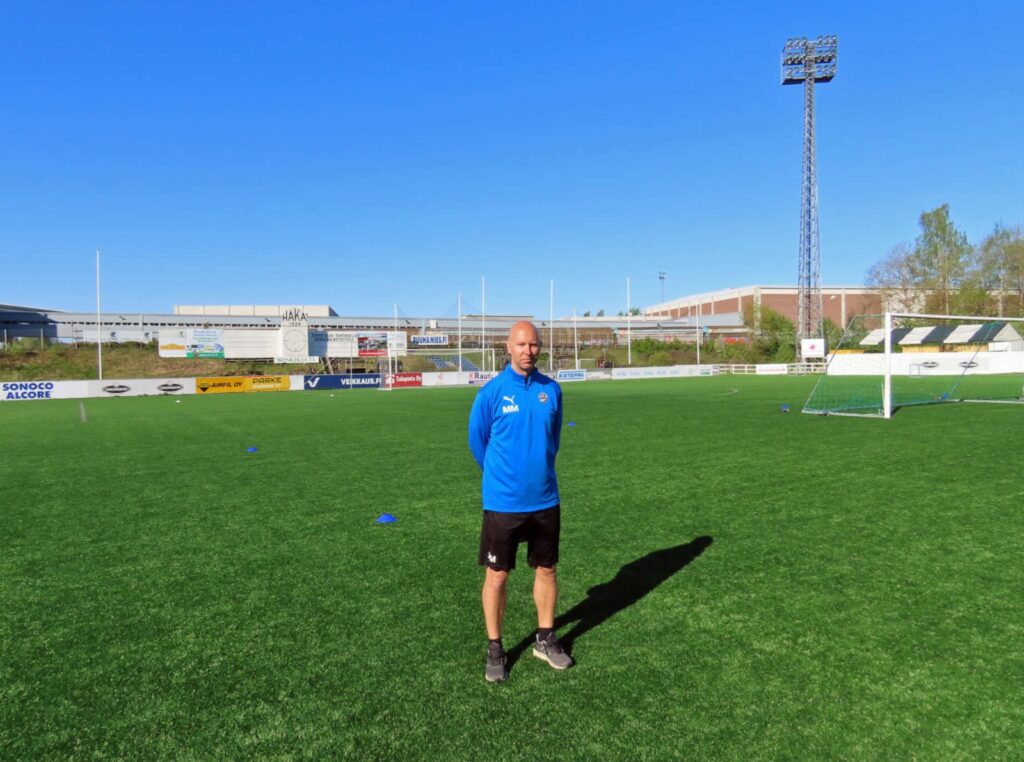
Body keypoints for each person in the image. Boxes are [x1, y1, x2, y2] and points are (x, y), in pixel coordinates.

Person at [468, 320, 573, 683]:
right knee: (497, 575)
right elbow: (477, 442)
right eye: (522, 344)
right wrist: (502, 477)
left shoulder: (552, 390)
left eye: (534, 345)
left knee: (547, 569)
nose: (529, 351)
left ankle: (545, 638)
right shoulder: (491, 393)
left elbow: (553, 440)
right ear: (508, 347)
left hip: (544, 498)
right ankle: (495, 647)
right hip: (503, 502)